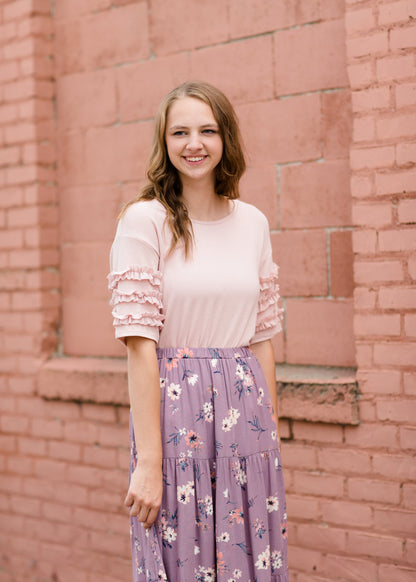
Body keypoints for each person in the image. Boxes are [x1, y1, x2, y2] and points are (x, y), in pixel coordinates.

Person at [107, 81, 289, 582]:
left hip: (246, 417)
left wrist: (267, 436)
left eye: (207, 130)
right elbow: (140, 348)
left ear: (225, 138)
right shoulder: (145, 221)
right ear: (164, 143)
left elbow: (261, 339)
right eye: (180, 131)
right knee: (182, 558)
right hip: (174, 417)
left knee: (248, 556)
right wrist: (149, 462)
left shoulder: (252, 223)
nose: (194, 143)